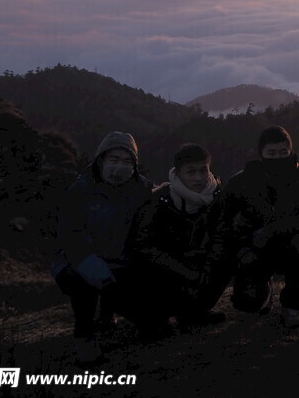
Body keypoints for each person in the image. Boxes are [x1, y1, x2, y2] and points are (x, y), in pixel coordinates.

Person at [51, 131, 156, 365]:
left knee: (152, 325)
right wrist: (95, 270)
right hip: (77, 263)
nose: (120, 167)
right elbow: (71, 237)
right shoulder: (80, 190)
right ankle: (85, 337)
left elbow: (158, 200)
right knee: (85, 285)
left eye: (128, 161)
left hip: (120, 263)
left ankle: (110, 316)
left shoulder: (140, 189)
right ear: (101, 160)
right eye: (114, 160)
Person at [218, 126, 299, 328]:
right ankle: (264, 290)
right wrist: (241, 250)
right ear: (261, 155)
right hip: (255, 251)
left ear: (291, 151)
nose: (278, 158)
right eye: (271, 153)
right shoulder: (241, 182)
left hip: (291, 249)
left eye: (283, 152)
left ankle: (292, 302)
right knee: (248, 303)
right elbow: (223, 222)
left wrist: (273, 229)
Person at [128, 143, 230, 332]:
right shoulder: (160, 200)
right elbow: (143, 245)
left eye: (203, 170)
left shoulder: (218, 197)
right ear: (178, 172)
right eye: (191, 172)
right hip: (167, 269)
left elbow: (221, 237)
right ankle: (158, 317)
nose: (198, 178)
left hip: (200, 264)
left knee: (226, 259)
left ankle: (196, 312)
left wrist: (206, 269)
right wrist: (184, 270)